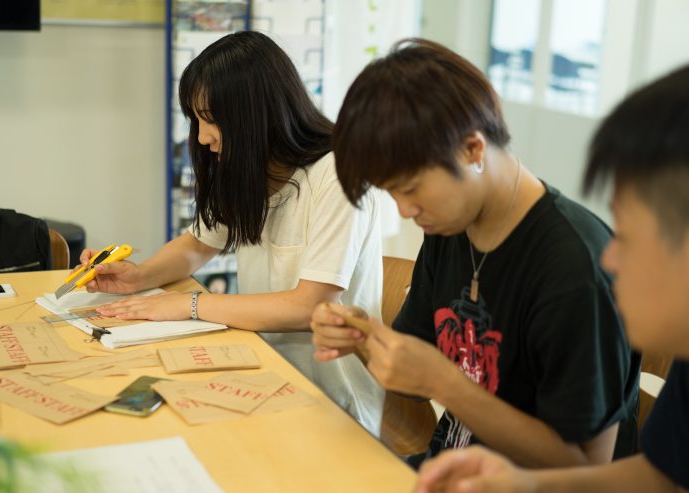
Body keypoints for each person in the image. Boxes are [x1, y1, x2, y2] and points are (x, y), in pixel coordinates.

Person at [310, 38, 639, 468]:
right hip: (452, 468)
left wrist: (447, 385)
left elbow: (584, 466)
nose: (405, 211)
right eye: (390, 192)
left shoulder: (574, 270)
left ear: (472, 149)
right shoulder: (449, 227)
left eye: (410, 189)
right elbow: (414, 373)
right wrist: (361, 337)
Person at [78, 31, 385, 434]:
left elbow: (310, 307)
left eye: (210, 120)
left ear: (254, 113)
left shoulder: (340, 174)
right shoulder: (252, 169)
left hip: (334, 403)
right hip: (263, 372)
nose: (203, 138)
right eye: (197, 120)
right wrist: (140, 275)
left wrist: (189, 305)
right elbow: (197, 244)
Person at [411, 64, 689, 493]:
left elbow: (589, 453)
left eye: (629, 236)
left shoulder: (575, 266)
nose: (610, 259)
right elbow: (660, 477)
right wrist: (524, 484)